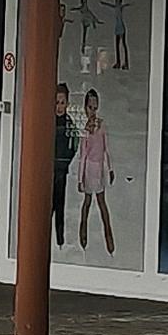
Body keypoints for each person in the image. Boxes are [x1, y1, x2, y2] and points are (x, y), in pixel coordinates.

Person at [75, 89, 116, 256]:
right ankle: (83, 234)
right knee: (87, 202)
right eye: (90, 106)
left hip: (98, 168)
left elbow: (107, 149)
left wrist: (111, 169)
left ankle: (109, 238)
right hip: (89, 169)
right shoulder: (84, 129)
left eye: (95, 106)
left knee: (101, 202)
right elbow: (82, 155)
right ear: (86, 107)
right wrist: (79, 178)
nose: (92, 109)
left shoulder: (102, 125)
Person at [52, 81, 77, 243]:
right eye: (57, 102)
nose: (59, 107)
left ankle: (60, 240)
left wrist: (67, 160)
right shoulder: (48, 122)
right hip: (49, 168)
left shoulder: (69, 123)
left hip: (62, 168)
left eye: (62, 103)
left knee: (60, 204)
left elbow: (74, 144)